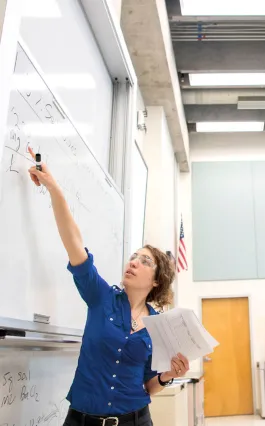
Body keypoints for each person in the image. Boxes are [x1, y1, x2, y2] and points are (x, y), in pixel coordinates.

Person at [27, 150, 189, 426]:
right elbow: (73, 242)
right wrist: (54, 188)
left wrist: (168, 375)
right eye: (133, 257)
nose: (134, 262)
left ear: (156, 280)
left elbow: (148, 385)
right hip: (82, 420)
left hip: (135, 420)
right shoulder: (101, 297)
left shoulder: (158, 326)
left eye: (144, 261)